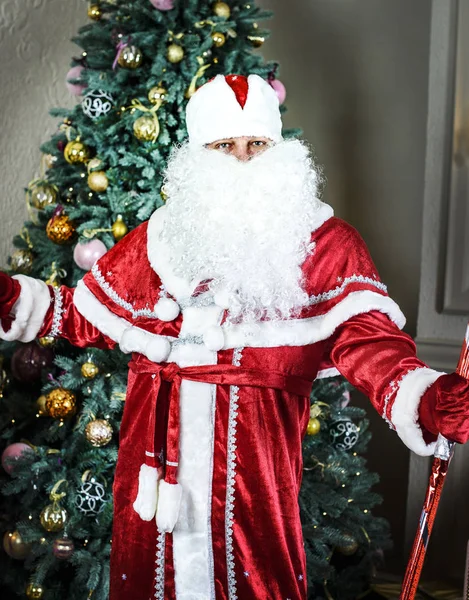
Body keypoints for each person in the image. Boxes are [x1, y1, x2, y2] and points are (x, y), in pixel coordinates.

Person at [0, 73, 468, 600]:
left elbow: (367, 340)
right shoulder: (161, 239)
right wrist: (12, 300)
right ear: (200, 154)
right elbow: (84, 314)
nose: (243, 159)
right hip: (154, 480)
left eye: (257, 144)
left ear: (279, 150)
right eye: (225, 145)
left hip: (253, 486)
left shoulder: (325, 244)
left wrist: (423, 396)